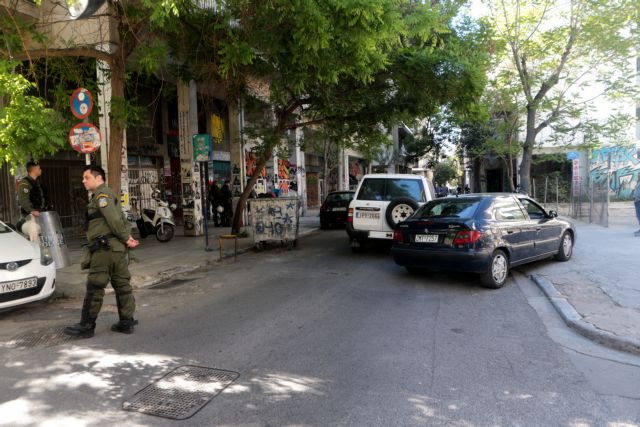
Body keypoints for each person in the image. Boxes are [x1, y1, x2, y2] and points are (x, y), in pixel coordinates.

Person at [64, 165, 139, 338]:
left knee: (95, 286)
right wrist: (126, 238)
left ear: (99, 178)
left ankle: (86, 326)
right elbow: (118, 219)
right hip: (117, 249)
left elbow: (113, 219)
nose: (83, 181)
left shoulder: (101, 195)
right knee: (122, 285)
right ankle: (126, 322)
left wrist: (126, 238)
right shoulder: (106, 194)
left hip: (104, 249)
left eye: (87, 177)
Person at [17, 161, 47, 239]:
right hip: (29, 217)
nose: (41, 170)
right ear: (34, 169)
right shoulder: (25, 183)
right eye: (39, 168)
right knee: (34, 235)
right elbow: (23, 199)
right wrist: (31, 210)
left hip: (39, 216)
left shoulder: (37, 183)